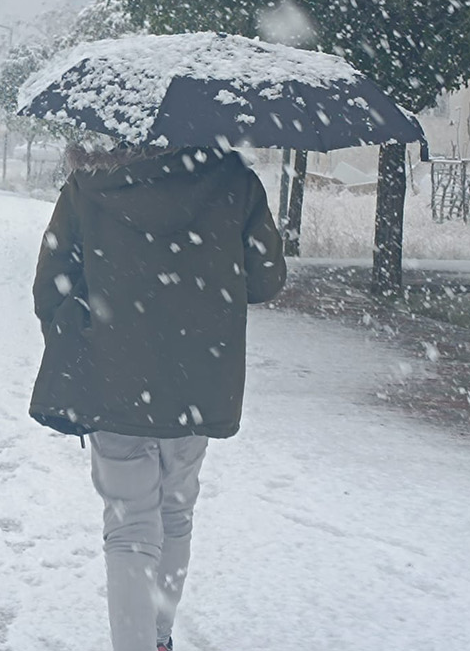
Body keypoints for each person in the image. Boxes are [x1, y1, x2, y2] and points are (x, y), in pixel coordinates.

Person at [29, 141, 286, 651]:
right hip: (199, 379)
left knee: (128, 526)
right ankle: (160, 637)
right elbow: (265, 280)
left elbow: (50, 289)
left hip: (111, 380)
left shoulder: (89, 184)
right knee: (176, 512)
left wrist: (86, 334)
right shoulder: (232, 181)